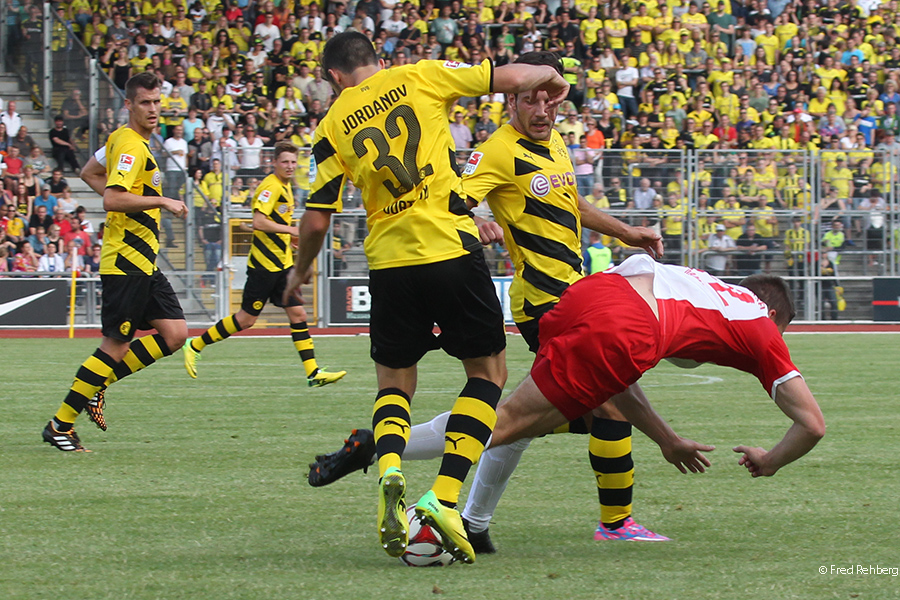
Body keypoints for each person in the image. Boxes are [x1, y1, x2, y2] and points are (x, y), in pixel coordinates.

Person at [308, 53, 667, 551]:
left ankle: (404, 464)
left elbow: (574, 204)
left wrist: (628, 231)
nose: (542, 110)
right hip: (546, 304)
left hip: (573, 293)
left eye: (549, 100)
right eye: (529, 99)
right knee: (605, 407)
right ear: (511, 100)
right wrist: (475, 219)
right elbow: (456, 195)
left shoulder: (556, 142)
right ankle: (615, 522)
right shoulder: (497, 151)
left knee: (525, 417)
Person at [282, 31, 569, 565]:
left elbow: (317, 217)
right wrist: (556, 80)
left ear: (333, 77)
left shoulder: (329, 126)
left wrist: (299, 273)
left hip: (389, 262)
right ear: (379, 60)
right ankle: (444, 497)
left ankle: (389, 468)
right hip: (449, 247)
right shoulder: (419, 74)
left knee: (395, 383)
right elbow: (513, 75)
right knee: (487, 376)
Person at [485, 255, 824, 483]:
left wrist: (667, 438)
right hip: (630, 319)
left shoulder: (706, 289)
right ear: (774, 317)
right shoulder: (760, 328)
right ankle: (439, 506)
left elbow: (622, 381)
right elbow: (813, 425)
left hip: (595, 290)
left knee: (522, 420)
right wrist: (770, 462)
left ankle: (472, 520)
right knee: (509, 424)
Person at [42, 72, 189, 452]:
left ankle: (97, 385)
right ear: (129, 105)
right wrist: (161, 201)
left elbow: (88, 172)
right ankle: (60, 425)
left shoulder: (126, 141)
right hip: (125, 261)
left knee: (175, 334)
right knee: (116, 345)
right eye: (145, 103)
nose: (154, 109)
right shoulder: (130, 147)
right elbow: (111, 199)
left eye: (157, 102)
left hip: (143, 262)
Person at [182, 141, 345, 388]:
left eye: (293, 162)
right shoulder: (270, 186)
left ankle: (313, 372)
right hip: (264, 266)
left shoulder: (286, 187)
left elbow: (275, 225)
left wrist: (292, 242)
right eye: (285, 162)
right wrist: (293, 230)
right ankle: (195, 344)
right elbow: (258, 222)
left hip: (283, 264)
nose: (290, 166)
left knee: (298, 313)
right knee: (246, 319)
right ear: (274, 163)